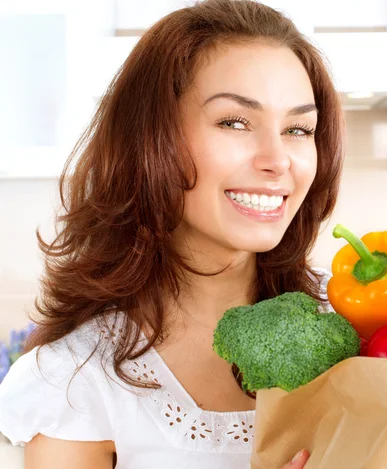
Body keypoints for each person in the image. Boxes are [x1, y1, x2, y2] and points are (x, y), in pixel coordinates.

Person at [0, 0, 344, 467]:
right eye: (234, 122)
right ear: (151, 138)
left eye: (299, 129)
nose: (278, 159)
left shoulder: (358, 316)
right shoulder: (76, 379)